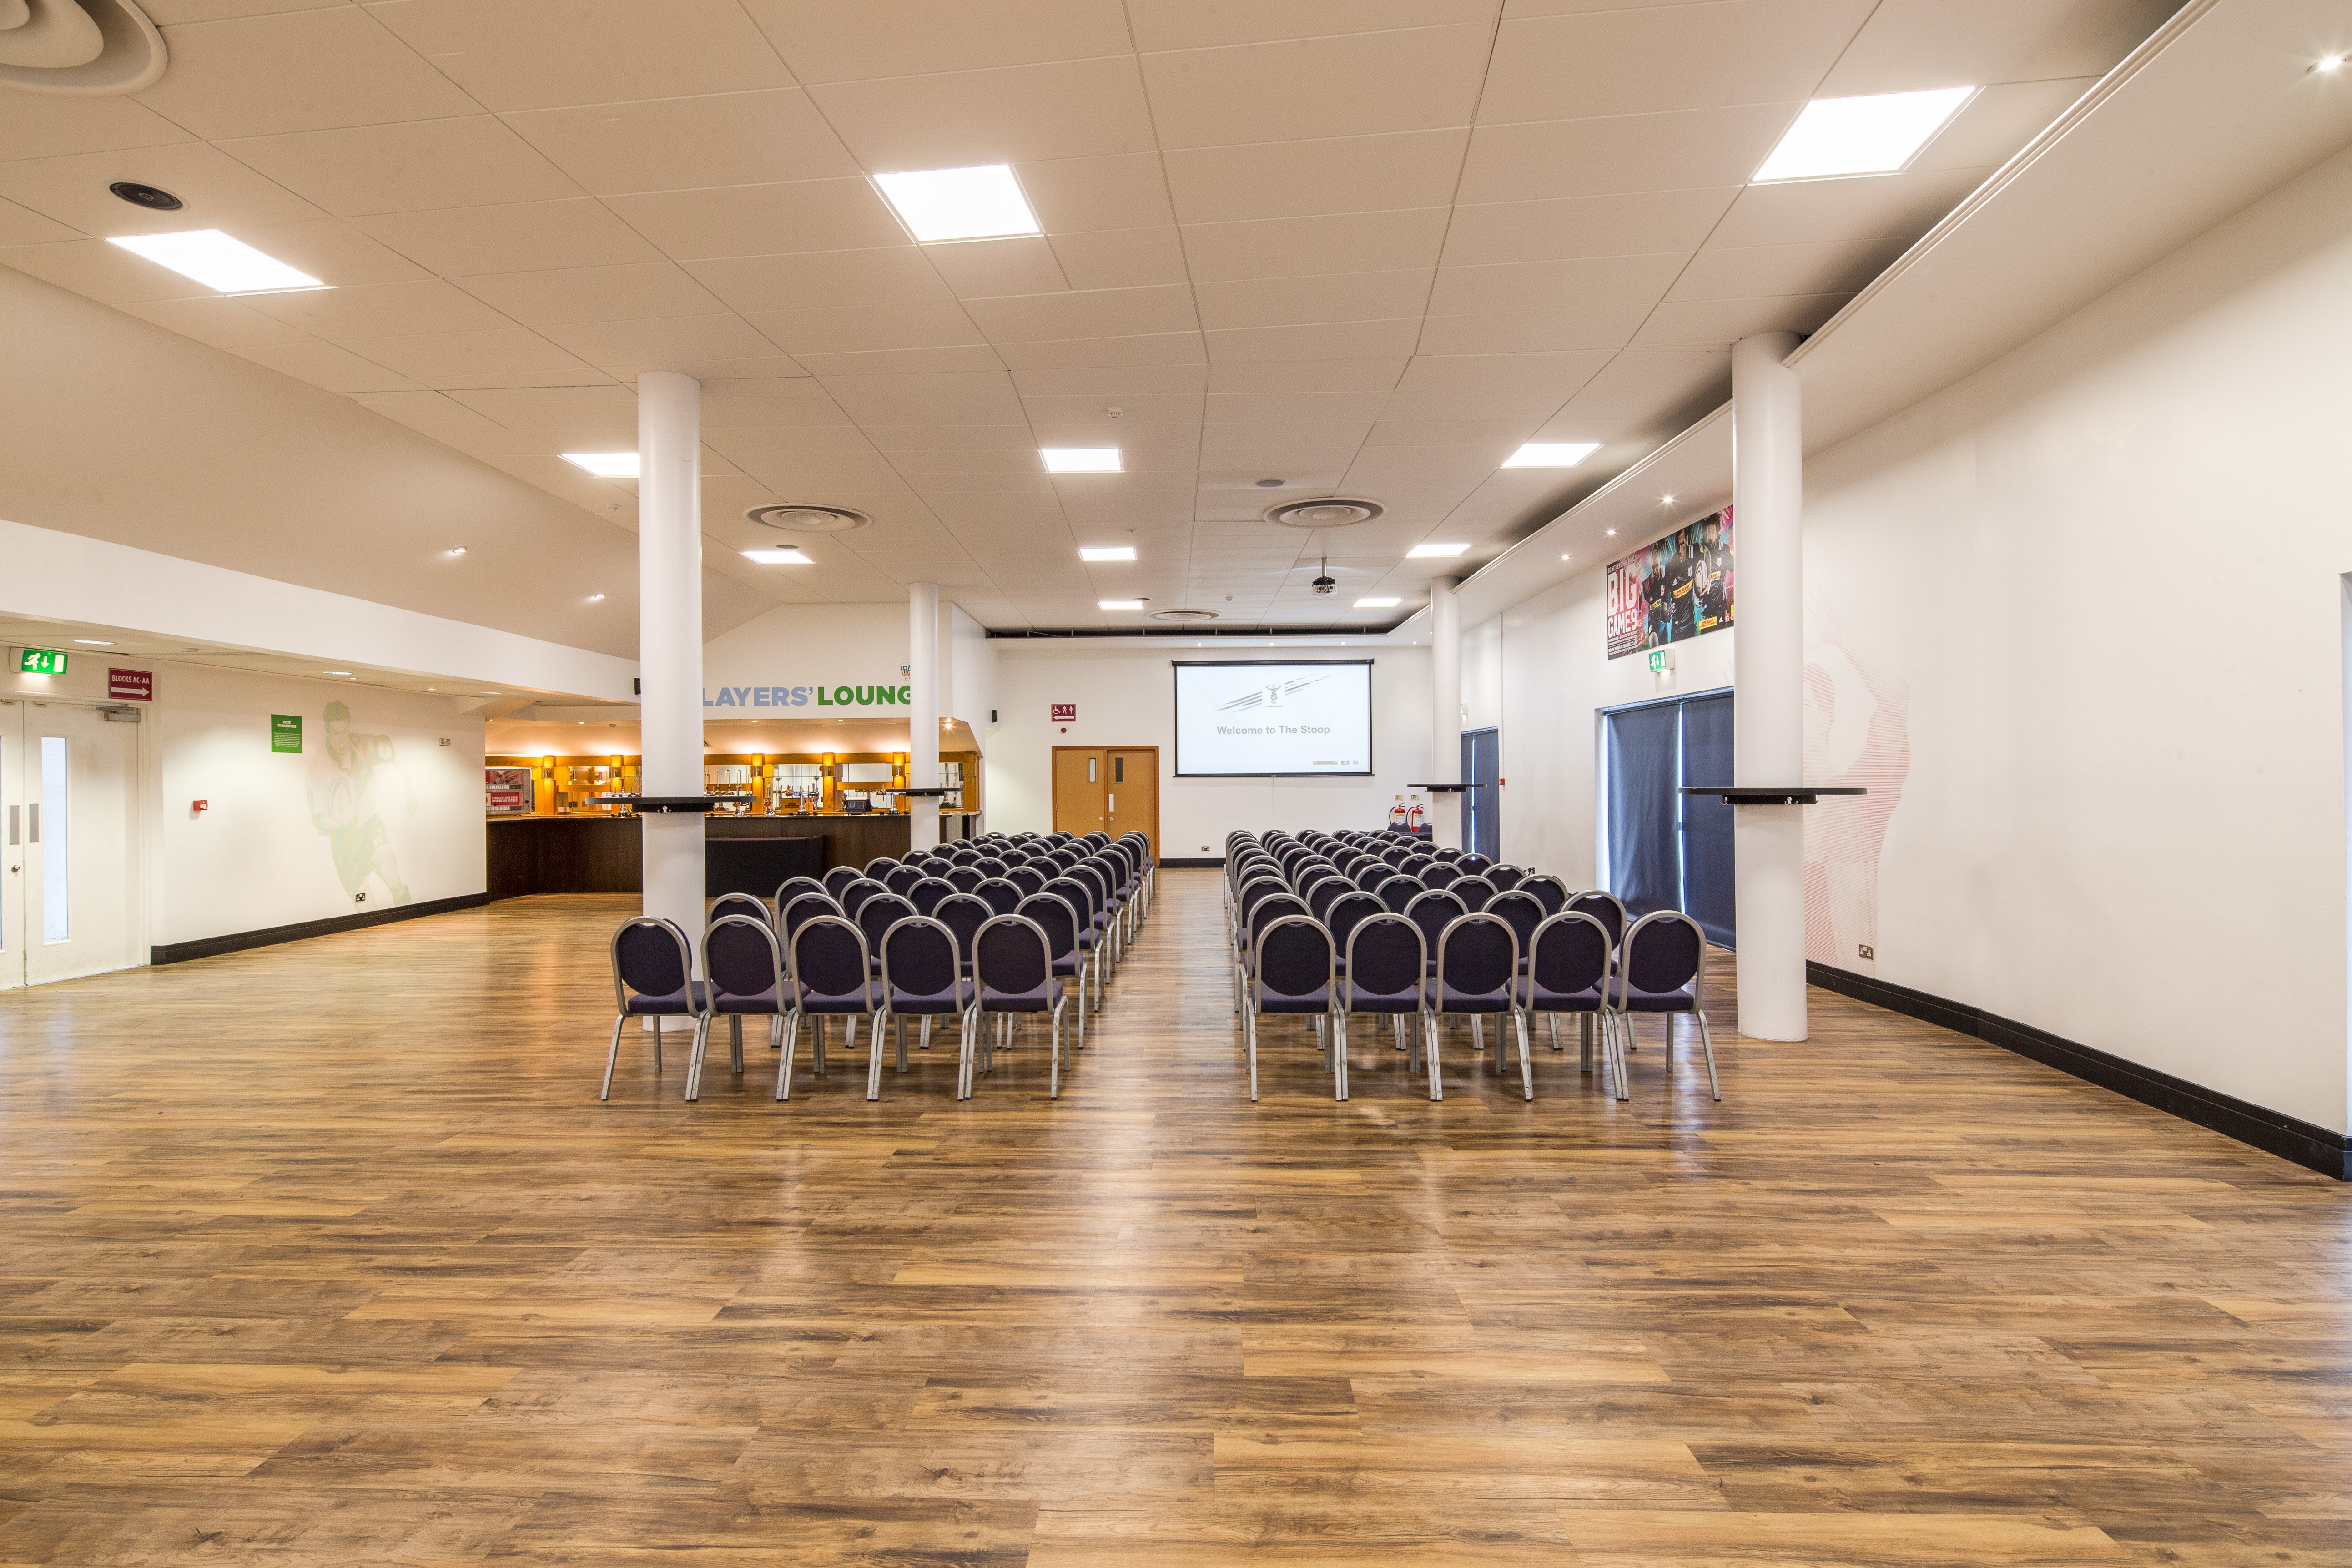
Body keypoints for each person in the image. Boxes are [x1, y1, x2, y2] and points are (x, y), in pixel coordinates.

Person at [306, 699, 413, 906]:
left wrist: (410, 793)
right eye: (336, 733)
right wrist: (340, 822)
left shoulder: (362, 745)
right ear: (327, 732)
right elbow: (319, 822)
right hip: (344, 844)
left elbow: (396, 757)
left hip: (370, 828)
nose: (342, 739)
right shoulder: (317, 769)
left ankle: (410, 920)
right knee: (365, 906)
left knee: (395, 883)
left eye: (344, 731)